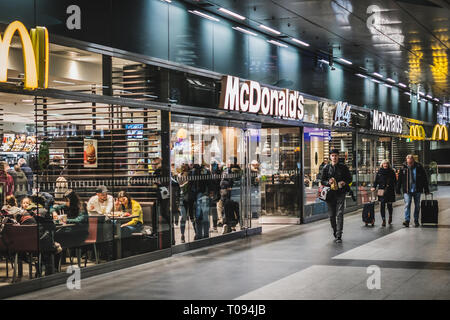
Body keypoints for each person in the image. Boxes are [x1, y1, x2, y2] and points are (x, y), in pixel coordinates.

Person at [320, 149, 352, 243]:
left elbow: (350, 179)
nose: (334, 157)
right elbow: (322, 181)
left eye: (336, 155)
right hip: (330, 195)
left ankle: (339, 235)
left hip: (340, 193)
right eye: (332, 155)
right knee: (331, 215)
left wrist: (344, 182)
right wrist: (328, 182)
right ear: (330, 157)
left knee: (339, 214)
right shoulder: (326, 168)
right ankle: (335, 231)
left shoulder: (343, 167)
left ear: (338, 156)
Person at [396, 154, 430, 228]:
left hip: (417, 189)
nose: (409, 164)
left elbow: (424, 179)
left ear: (413, 161)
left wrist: (426, 189)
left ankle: (416, 220)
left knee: (417, 206)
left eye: (411, 162)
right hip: (407, 190)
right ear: (406, 161)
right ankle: (407, 220)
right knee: (407, 204)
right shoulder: (403, 168)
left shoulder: (419, 167)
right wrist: (398, 190)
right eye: (408, 162)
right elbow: (399, 180)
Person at [371, 160, 397, 227]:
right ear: (382, 165)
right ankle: (383, 220)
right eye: (384, 163)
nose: (385, 165)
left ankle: (390, 216)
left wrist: (397, 189)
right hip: (381, 190)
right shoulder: (379, 172)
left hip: (390, 190)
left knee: (389, 205)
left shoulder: (391, 172)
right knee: (382, 205)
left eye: (386, 163)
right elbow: (376, 181)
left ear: (388, 164)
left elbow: (395, 181)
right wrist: (374, 187)